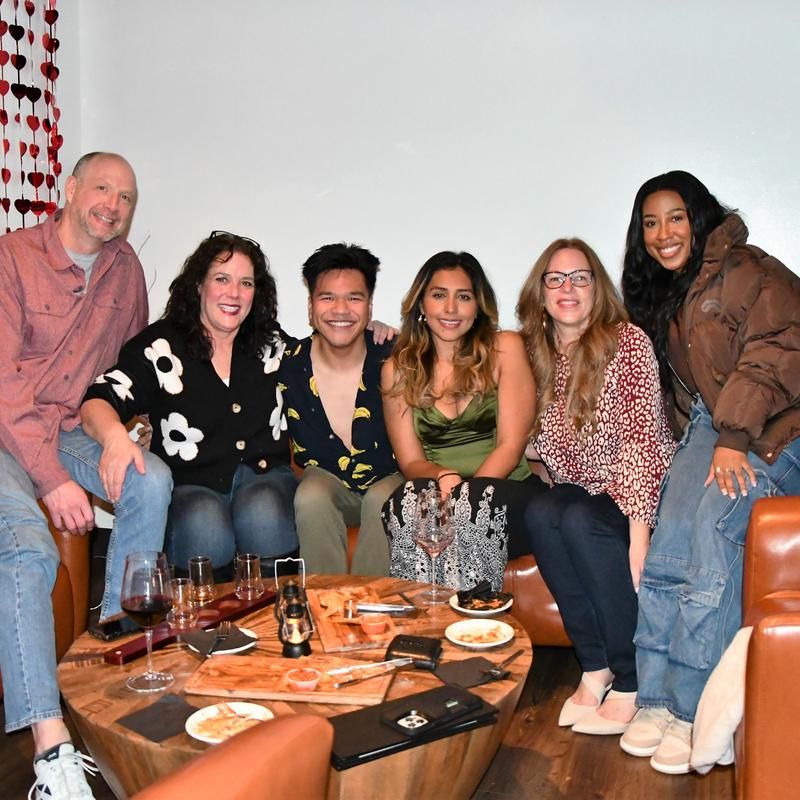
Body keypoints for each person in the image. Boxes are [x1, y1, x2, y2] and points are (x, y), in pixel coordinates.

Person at [0, 152, 171, 799]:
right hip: (4, 431)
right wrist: (52, 480)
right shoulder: (11, 257)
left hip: (69, 427)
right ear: (69, 190)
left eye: (126, 197)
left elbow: (128, 371)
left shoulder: (125, 270)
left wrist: (123, 436)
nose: (113, 204)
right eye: (102, 188)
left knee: (148, 478)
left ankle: (106, 664)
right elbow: (6, 390)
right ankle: (51, 752)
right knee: (25, 548)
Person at [620, 170, 800, 774]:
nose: (663, 233)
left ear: (699, 219)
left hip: (778, 429)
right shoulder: (676, 291)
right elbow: (682, 392)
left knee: (709, 535)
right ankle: (657, 699)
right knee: (670, 538)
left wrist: (734, 439)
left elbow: (775, 352)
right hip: (714, 424)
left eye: (675, 217)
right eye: (650, 222)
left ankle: (696, 708)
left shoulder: (752, 271)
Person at [517, 238, 675, 737]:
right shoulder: (534, 354)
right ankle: (595, 665)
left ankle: (631, 677)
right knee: (541, 513)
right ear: (540, 292)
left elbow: (642, 440)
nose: (568, 288)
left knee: (583, 519)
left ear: (597, 287)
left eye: (580, 277)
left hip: (637, 493)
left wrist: (639, 536)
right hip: (580, 490)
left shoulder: (626, 342)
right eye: (556, 279)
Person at [82, 232, 298, 577]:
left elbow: (330, 360)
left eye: (246, 283)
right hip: (191, 487)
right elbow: (99, 398)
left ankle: (279, 622)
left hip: (265, 479)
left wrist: (369, 332)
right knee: (203, 522)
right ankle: (207, 628)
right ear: (199, 284)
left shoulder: (270, 343)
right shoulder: (162, 346)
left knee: (263, 510)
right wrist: (114, 438)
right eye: (222, 279)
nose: (234, 293)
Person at [381, 251, 542, 591]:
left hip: (509, 494)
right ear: (421, 305)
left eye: (464, 297)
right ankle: (425, 622)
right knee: (404, 503)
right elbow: (411, 461)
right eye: (439, 295)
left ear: (478, 306)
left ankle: (474, 621)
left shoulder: (505, 348)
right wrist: (440, 475)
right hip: (441, 494)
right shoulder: (398, 369)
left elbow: (511, 447)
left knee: (471, 508)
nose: (451, 309)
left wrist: (462, 501)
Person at [279, 243, 402, 575]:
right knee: (311, 495)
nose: (341, 309)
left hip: (390, 480)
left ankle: (372, 611)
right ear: (310, 306)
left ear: (369, 305)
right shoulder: (286, 366)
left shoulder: (395, 356)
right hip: (326, 482)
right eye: (327, 297)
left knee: (382, 499)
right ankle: (325, 611)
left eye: (354, 298)